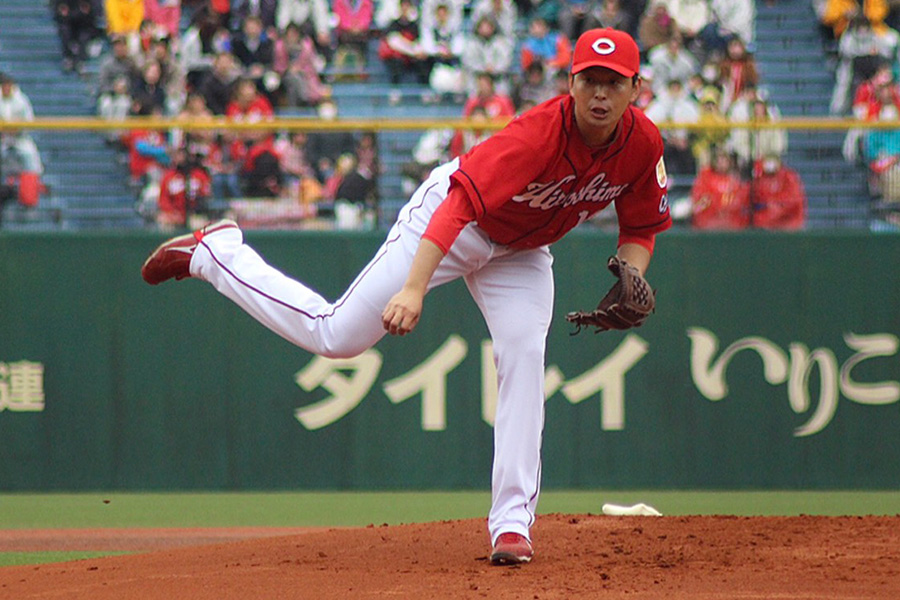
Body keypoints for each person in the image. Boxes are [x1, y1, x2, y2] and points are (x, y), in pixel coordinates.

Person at [141, 27, 671, 565]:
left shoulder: (644, 142)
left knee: (525, 354)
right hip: (456, 222)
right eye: (590, 81)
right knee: (337, 335)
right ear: (571, 82)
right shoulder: (537, 135)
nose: (600, 94)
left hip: (525, 250)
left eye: (613, 82)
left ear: (635, 87)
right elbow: (458, 208)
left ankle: (512, 523)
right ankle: (219, 254)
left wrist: (632, 275)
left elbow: (642, 225)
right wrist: (415, 288)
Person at [690, 148, 749, 229]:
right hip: (709, 221)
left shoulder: (735, 179)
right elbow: (700, 200)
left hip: (731, 222)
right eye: (719, 160)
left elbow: (740, 199)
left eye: (724, 160)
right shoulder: (705, 177)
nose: (721, 163)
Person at [750, 155, 807, 230]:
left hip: (788, 225)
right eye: (767, 161)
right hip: (764, 227)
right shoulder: (759, 177)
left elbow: (792, 200)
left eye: (772, 161)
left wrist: (771, 204)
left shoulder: (788, 177)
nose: (769, 165)